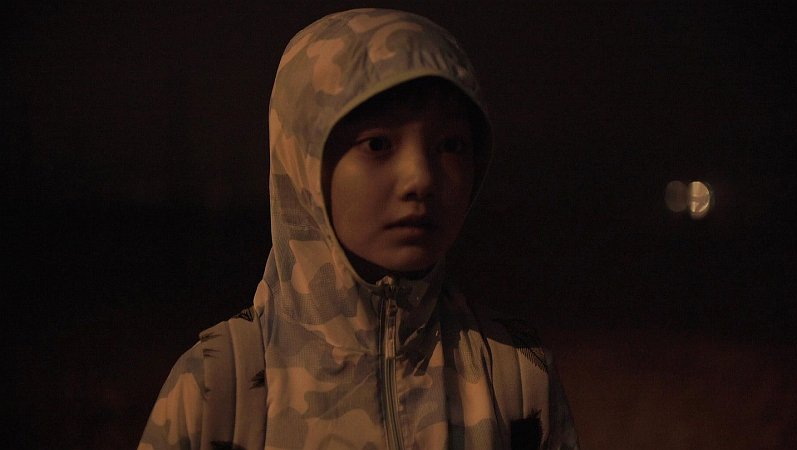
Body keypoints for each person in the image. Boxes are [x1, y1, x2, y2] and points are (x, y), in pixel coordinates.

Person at [138, 8, 578, 450]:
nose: (420, 179)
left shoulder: (515, 376)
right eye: (378, 144)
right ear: (304, 162)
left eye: (451, 145)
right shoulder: (222, 381)